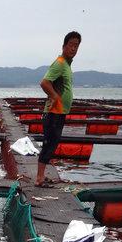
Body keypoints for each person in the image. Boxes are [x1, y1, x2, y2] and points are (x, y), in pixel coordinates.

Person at [35, 32, 82, 186]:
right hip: (53, 112)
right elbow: (44, 82)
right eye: (71, 45)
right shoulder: (60, 63)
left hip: (59, 113)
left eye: (76, 45)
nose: (74, 48)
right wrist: (55, 97)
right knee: (49, 144)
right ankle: (39, 178)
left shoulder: (67, 65)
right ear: (64, 46)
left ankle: (42, 176)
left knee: (52, 144)